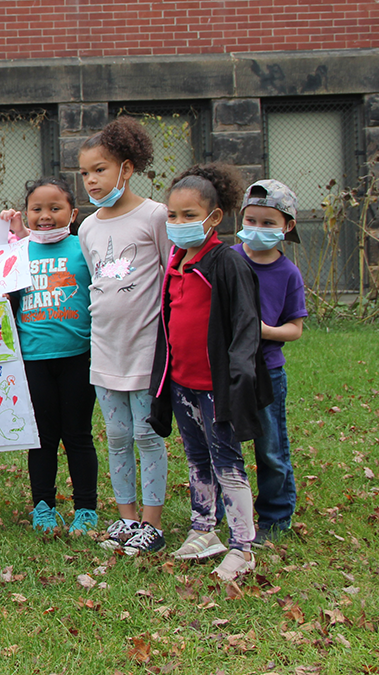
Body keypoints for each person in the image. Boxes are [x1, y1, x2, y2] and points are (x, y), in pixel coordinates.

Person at [146, 164, 271, 581]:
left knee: (227, 464)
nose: (178, 224)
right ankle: (204, 528)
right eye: (172, 216)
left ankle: (242, 546)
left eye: (189, 216)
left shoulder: (227, 264)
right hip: (182, 383)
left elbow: (245, 326)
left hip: (218, 388)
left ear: (214, 218)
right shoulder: (177, 262)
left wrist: (237, 382)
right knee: (197, 459)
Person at [77, 116, 170, 555]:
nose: (92, 180)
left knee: (146, 435)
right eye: (85, 173)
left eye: (100, 169)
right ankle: (126, 517)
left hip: (147, 349)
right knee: (116, 437)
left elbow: (172, 277)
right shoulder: (88, 228)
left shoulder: (154, 216)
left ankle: (151, 523)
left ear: (126, 169)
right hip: (105, 349)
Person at [1, 177, 99, 533]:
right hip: (34, 361)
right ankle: (42, 506)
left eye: (55, 208)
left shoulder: (83, 249)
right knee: (42, 438)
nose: (45, 216)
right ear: (25, 213)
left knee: (78, 435)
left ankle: (86, 508)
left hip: (79, 358)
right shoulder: (17, 252)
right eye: (37, 209)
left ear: (72, 214)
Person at [233, 180, 305, 544]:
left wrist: (262, 330)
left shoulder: (288, 273)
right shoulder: (228, 260)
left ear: (287, 226)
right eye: (251, 220)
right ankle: (226, 511)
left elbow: (295, 329)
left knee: (271, 445)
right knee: (225, 443)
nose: (257, 230)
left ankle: (275, 517)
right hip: (228, 368)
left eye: (267, 223)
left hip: (267, 371)